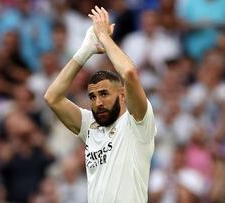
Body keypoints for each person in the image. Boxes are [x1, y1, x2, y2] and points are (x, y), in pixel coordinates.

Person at [44, 6, 156, 203]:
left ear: (122, 95)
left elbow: (129, 73)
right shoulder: (91, 127)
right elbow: (52, 97)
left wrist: (104, 36)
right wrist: (85, 51)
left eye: (104, 93)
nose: (98, 102)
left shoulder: (138, 123)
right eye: (93, 97)